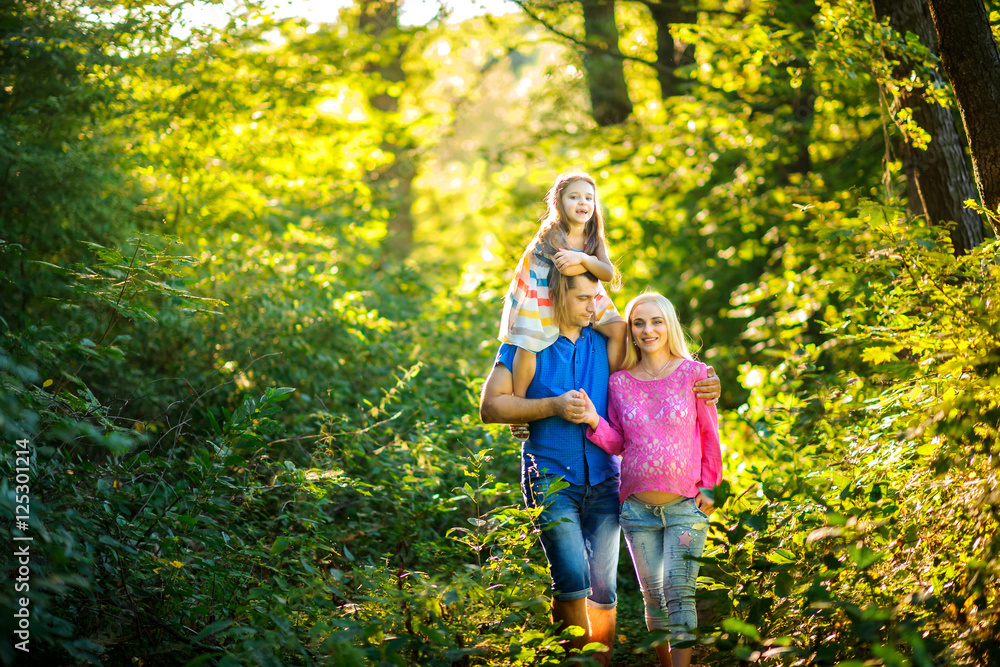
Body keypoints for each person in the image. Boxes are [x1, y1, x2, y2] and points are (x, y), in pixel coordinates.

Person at [480, 273, 721, 666]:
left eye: (597, 298)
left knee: (607, 590)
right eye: (585, 299)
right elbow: (493, 406)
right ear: (558, 298)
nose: (596, 308)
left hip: (609, 481)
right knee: (575, 579)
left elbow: (686, 402)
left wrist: (711, 386)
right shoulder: (527, 345)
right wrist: (552, 409)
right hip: (555, 476)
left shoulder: (606, 346)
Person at [579, 292, 723, 667]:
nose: (647, 330)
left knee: (680, 593)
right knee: (654, 598)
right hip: (637, 510)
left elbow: (710, 436)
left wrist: (710, 486)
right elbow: (618, 442)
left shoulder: (695, 373)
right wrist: (595, 421)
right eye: (638, 323)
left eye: (656, 321)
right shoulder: (619, 382)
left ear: (669, 324)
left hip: (685, 508)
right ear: (631, 330)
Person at [498, 171, 625, 398]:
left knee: (618, 328)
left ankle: (616, 390)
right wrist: (589, 263)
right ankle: (519, 399)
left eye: (588, 197)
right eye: (574, 197)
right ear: (558, 203)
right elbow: (566, 269)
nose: (582, 202)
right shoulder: (554, 233)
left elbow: (606, 273)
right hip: (541, 292)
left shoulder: (593, 236)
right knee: (529, 342)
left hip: (582, 292)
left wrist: (585, 259)